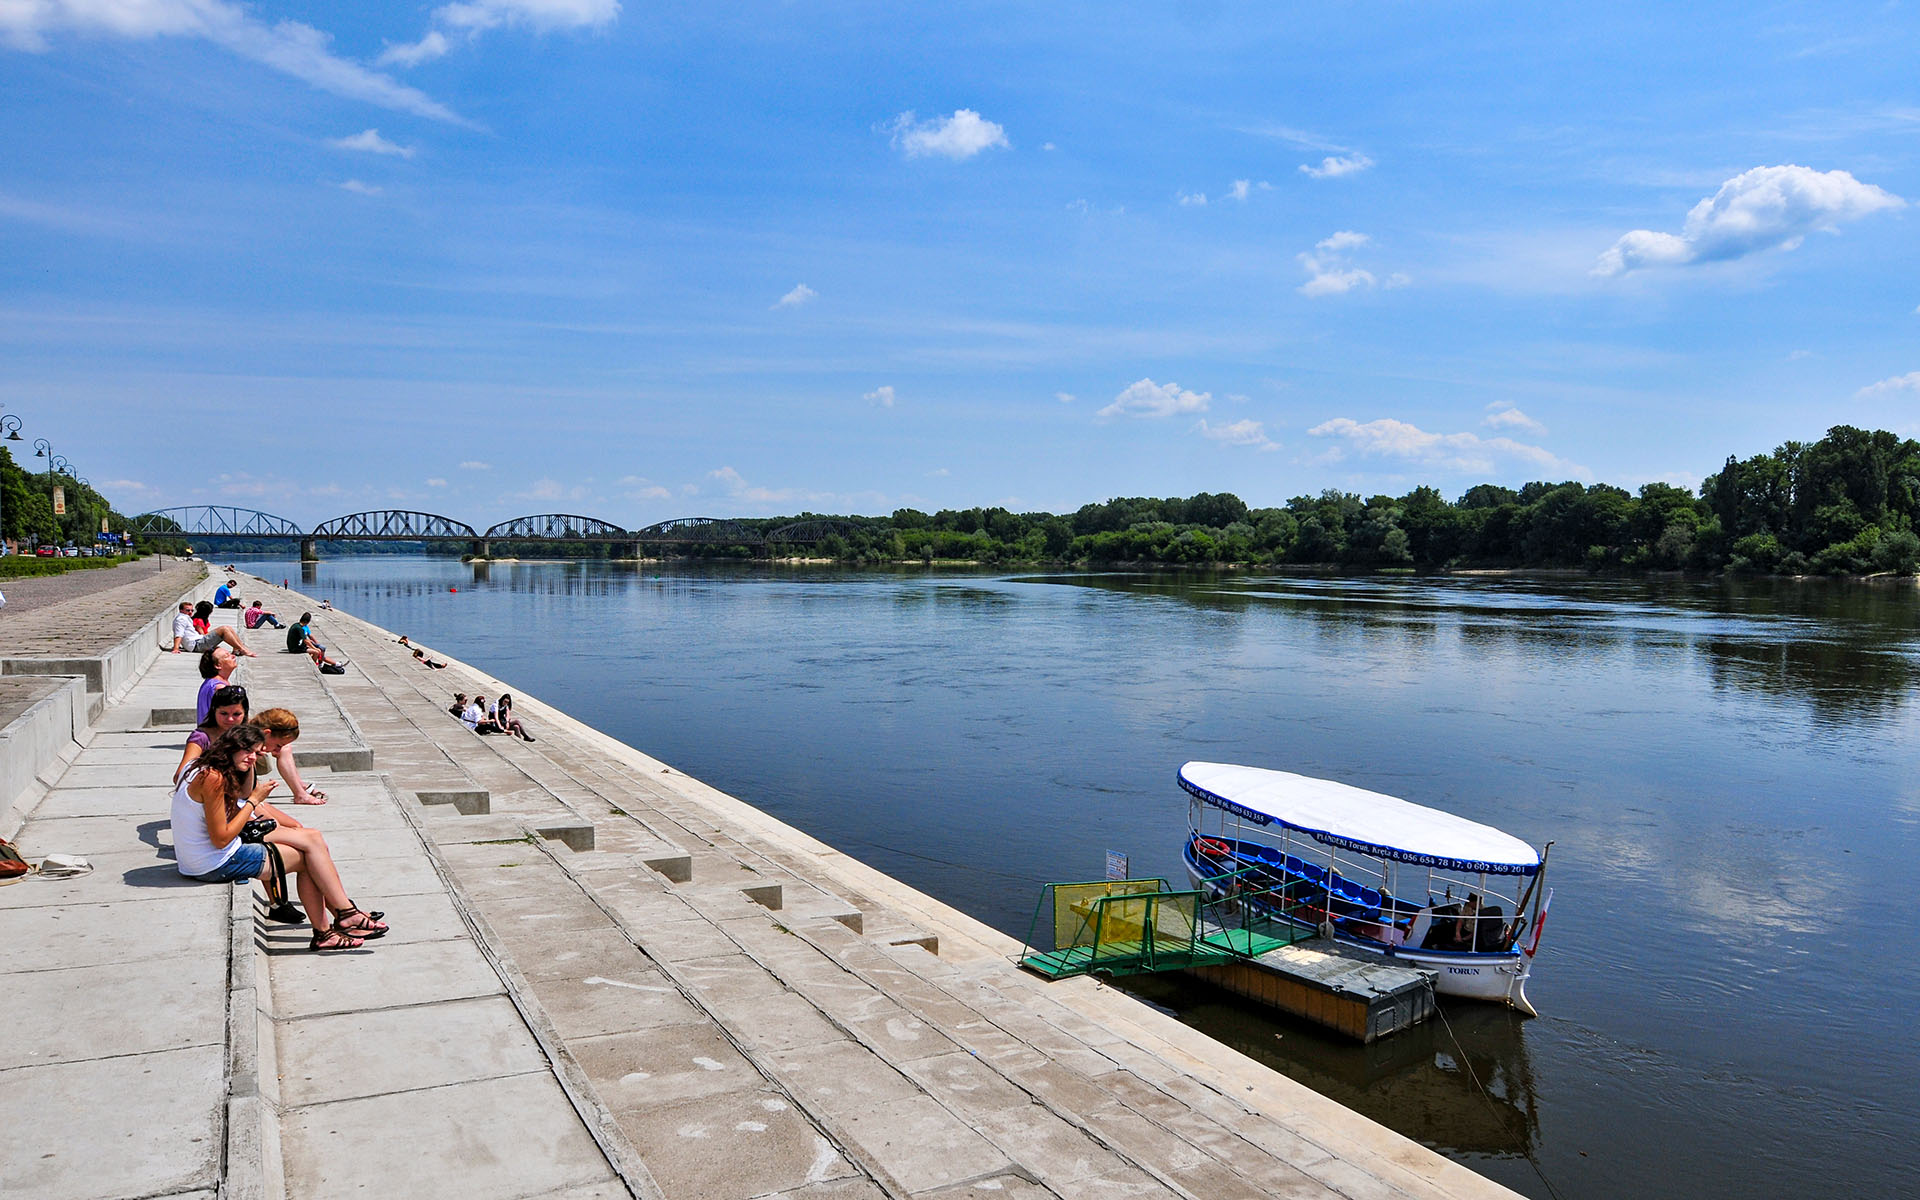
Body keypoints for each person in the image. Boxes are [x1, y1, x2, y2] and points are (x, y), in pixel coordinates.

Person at [171, 724, 387, 951]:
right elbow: (221, 839)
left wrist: (250, 773)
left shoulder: (203, 768)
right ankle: (335, 923)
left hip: (199, 859)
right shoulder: (213, 778)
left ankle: (341, 917)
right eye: (247, 751)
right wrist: (255, 800)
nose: (252, 758)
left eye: (257, 752)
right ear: (230, 748)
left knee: (311, 844)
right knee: (308, 861)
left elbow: (241, 796)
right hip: (213, 862)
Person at [175, 683, 249, 784]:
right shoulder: (201, 738)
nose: (230, 719)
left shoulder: (246, 735)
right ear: (214, 711)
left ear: (245, 713)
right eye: (224, 713)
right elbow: (180, 775)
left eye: (236, 714)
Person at [252, 707, 328, 805]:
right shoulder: (245, 746)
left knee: (285, 748)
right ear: (266, 733)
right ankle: (300, 794)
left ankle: (299, 787)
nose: (278, 750)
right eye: (278, 745)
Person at [170, 601, 256, 657]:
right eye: (188, 610)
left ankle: (240, 648)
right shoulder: (181, 619)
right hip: (196, 645)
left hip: (198, 641)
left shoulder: (185, 618)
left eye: (192, 610)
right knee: (224, 629)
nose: (190, 612)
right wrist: (176, 648)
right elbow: (179, 634)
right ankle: (242, 649)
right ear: (181, 610)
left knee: (228, 627)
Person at [195, 645, 240, 725]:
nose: (233, 656)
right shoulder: (220, 688)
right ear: (218, 665)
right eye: (227, 656)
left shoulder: (209, 682)